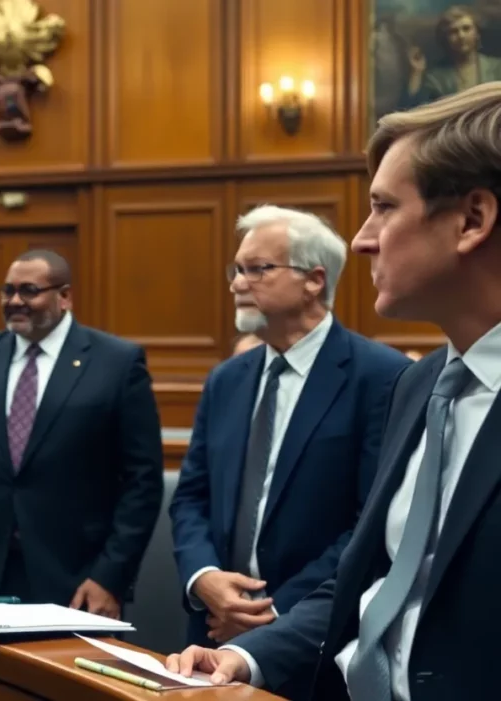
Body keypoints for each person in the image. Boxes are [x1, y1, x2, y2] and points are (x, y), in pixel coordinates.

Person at [165, 81, 501, 701]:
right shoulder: (424, 385)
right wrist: (245, 657)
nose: (362, 238)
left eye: (384, 207)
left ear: (472, 220)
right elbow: (376, 580)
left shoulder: (382, 375)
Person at [168, 207, 409, 693]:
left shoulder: (381, 377)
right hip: (210, 635)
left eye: (257, 268)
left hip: (316, 641)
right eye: (236, 269)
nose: (238, 282)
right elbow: (191, 498)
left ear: (314, 280)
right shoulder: (227, 379)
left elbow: (371, 524)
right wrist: (206, 579)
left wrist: (271, 613)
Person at [0, 250, 163, 616]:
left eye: (29, 290)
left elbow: (142, 483)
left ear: (64, 296)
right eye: (7, 291)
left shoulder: (117, 362)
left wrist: (110, 577)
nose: (15, 301)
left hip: (77, 579)